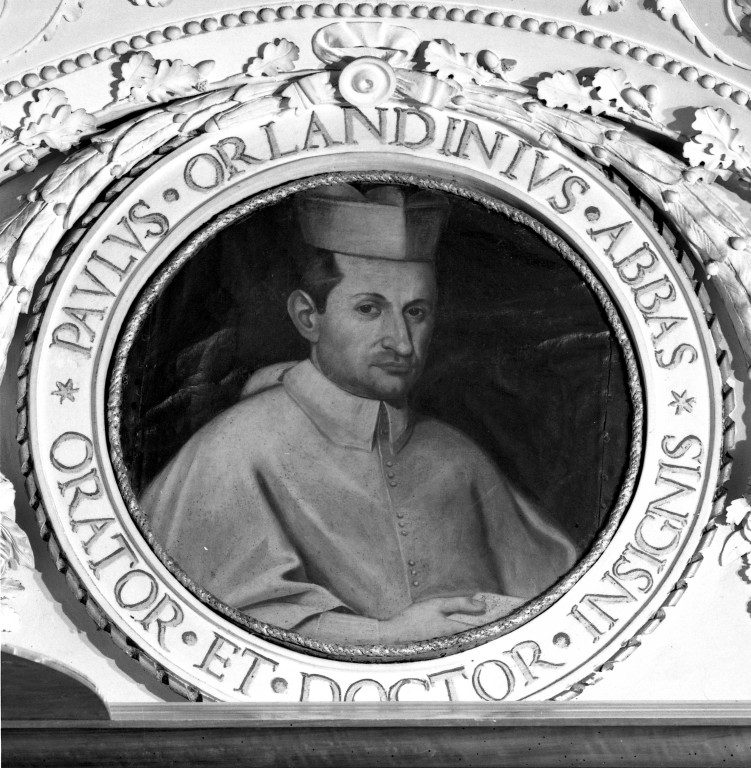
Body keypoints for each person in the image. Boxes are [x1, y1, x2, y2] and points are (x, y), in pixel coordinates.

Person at [141, 183, 576, 645]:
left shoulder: (458, 457)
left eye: (416, 312)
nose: (402, 343)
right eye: (370, 309)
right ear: (308, 317)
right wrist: (385, 636)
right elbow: (193, 624)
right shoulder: (233, 450)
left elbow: (556, 606)